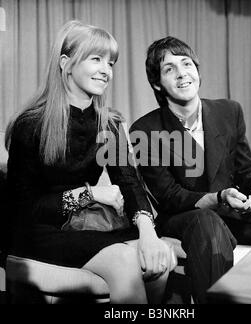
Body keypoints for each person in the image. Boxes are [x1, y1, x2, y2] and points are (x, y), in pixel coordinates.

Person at [4, 21, 176, 304]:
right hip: (37, 232)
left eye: (110, 62)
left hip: (81, 226)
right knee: (124, 258)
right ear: (66, 63)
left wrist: (148, 232)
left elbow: (129, 182)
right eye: (96, 59)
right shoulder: (30, 124)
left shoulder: (108, 124)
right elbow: (27, 209)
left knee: (159, 256)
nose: (106, 70)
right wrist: (90, 194)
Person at [129, 36, 251, 303]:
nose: (182, 73)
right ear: (156, 83)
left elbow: (248, 173)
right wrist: (218, 198)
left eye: (187, 64)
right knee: (208, 225)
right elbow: (169, 195)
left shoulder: (229, 111)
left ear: (197, 70)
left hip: (234, 216)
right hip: (186, 219)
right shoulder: (145, 130)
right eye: (169, 69)